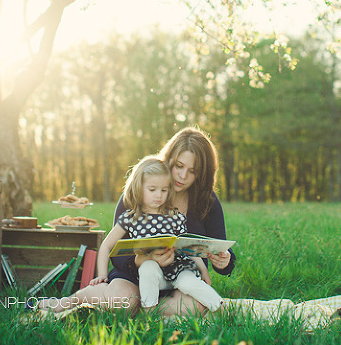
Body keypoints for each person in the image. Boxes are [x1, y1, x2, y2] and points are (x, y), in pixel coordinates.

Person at [37, 126, 235, 315]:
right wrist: (141, 260)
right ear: (169, 160)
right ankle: (76, 300)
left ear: (202, 173)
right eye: (179, 166)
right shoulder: (141, 192)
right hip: (134, 277)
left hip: (179, 277)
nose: (183, 176)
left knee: (196, 306)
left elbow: (218, 248)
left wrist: (223, 261)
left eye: (192, 171)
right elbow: (115, 251)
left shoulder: (206, 200)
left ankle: (143, 310)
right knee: (124, 300)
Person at [91, 156, 223, 312]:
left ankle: (220, 307)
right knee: (148, 267)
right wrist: (101, 274)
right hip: (150, 275)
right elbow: (106, 245)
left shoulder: (175, 217)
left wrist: (203, 270)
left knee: (189, 282)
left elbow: (188, 245)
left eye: (164, 190)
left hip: (178, 269)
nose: (158, 195)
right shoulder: (131, 217)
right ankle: (149, 312)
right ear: (139, 188)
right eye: (152, 189)